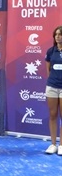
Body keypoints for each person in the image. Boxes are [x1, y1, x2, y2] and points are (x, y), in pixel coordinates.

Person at [45, 26, 62, 155]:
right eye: (56, 34)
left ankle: (61, 145)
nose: (58, 37)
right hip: (52, 87)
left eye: (60, 34)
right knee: (52, 115)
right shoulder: (50, 51)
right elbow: (48, 70)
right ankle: (53, 144)